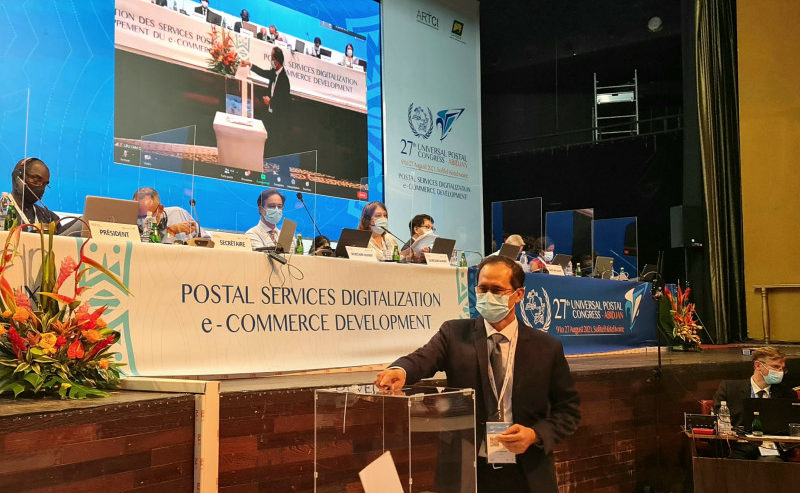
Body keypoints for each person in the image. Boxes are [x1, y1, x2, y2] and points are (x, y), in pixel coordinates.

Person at [375, 256, 580, 493]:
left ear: (519, 295)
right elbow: (422, 359)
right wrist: (400, 370)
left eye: (497, 290)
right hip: (466, 470)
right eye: (483, 289)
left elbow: (568, 411)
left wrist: (535, 434)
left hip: (527, 471)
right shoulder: (454, 334)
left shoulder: (546, 348)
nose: (488, 296)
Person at [713, 346, 797, 460]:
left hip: (771, 449)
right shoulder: (729, 388)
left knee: (770, 461)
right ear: (758, 366)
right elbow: (717, 419)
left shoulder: (787, 394)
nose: (780, 372)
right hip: (738, 447)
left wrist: (786, 442)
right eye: (775, 367)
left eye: (782, 369)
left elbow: (792, 427)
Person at [241, 47, 291, 156]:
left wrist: (271, 102)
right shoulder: (274, 72)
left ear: (277, 61)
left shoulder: (284, 80)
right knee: (264, 139)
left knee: (273, 144)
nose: (270, 60)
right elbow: (262, 72)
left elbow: (284, 102)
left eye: (272, 58)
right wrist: (250, 64)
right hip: (269, 113)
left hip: (278, 118)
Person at [4, 158, 64, 233]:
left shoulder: (50, 218)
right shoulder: (3, 212)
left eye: (44, 184)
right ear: (17, 178)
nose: (41, 188)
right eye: (36, 181)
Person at [132, 187, 204, 244]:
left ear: (160, 210)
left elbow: (205, 241)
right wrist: (171, 231)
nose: (143, 221)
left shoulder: (178, 213)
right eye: (139, 217)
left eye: (148, 216)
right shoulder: (131, 226)